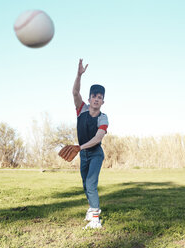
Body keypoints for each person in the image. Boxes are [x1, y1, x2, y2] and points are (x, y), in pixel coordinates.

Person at [73, 59, 109, 229]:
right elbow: (75, 92)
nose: (96, 99)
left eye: (100, 97)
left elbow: (97, 138)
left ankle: (95, 218)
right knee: (84, 185)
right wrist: (79, 75)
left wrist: (80, 147)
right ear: (89, 99)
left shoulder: (103, 118)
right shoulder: (82, 109)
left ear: (103, 102)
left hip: (95, 154)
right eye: (94, 96)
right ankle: (91, 208)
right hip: (84, 154)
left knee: (91, 184)